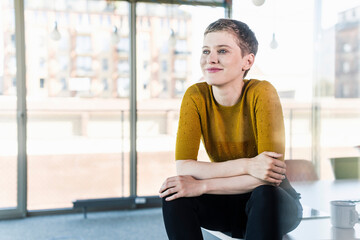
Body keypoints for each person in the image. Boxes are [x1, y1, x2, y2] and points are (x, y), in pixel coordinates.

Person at [159, 18, 302, 240]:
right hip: (227, 203)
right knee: (174, 193)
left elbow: (268, 176)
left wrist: (203, 185)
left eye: (222, 51)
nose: (211, 59)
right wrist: (249, 165)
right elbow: (184, 166)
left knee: (264, 194)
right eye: (206, 51)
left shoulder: (262, 93)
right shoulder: (195, 96)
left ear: (247, 61)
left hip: (273, 203)